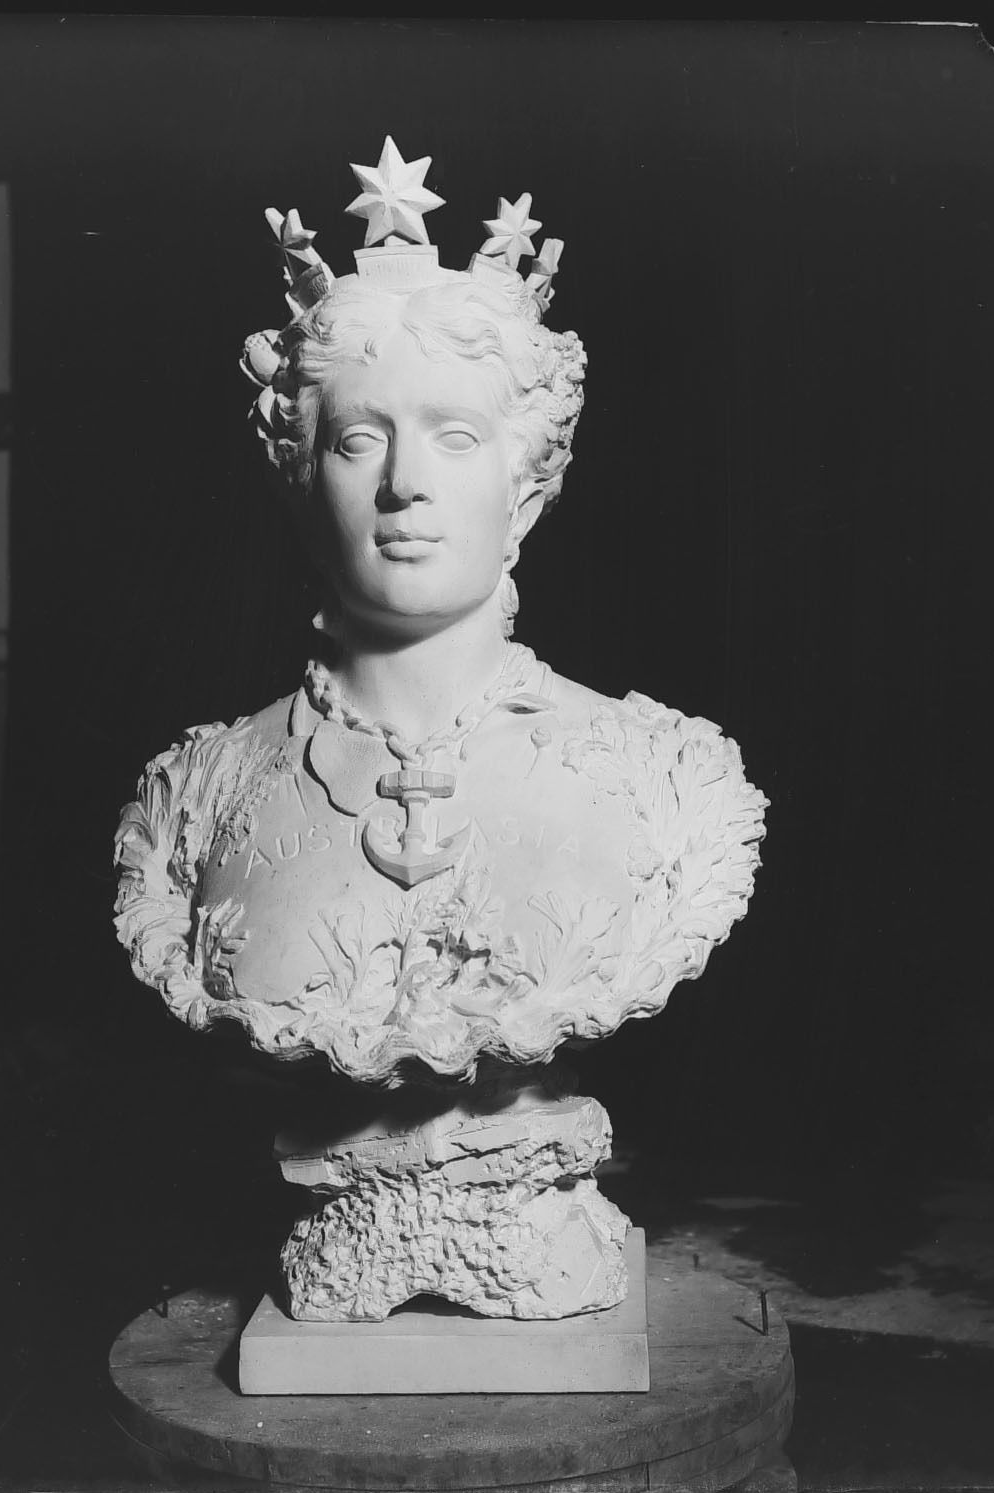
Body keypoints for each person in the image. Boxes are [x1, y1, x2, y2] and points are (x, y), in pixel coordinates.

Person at [114, 145, 767, 1092]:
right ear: (303, 481)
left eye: (454, 436)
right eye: (358, 439)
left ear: (529, 484)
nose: (405, 484)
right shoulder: (195, 801)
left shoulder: (669, 783)